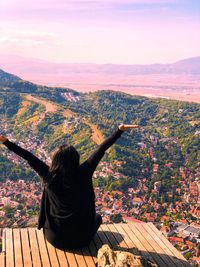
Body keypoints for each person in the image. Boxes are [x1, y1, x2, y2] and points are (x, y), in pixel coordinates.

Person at [0, 124, 139, 249]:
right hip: (81, 240)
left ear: (55, 159)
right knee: (98, 218)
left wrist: (6, 142)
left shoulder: (49, 175)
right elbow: (101, 149)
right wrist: (119, 131)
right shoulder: (85, 171)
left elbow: (28, 156)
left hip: (54, 238)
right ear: (76, 159)